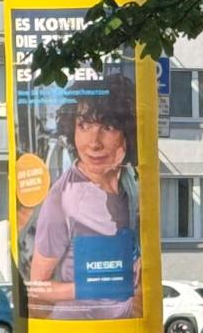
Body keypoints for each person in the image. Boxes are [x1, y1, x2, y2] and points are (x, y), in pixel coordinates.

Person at [24, 74, 141, 319]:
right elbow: (37, 286)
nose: (93, 143)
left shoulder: (130, 181)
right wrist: (96, 285)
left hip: (123, 329)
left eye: (107, 127)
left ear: (126, 134)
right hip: (78, 329)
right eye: (84, 126)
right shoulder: (63, 198)